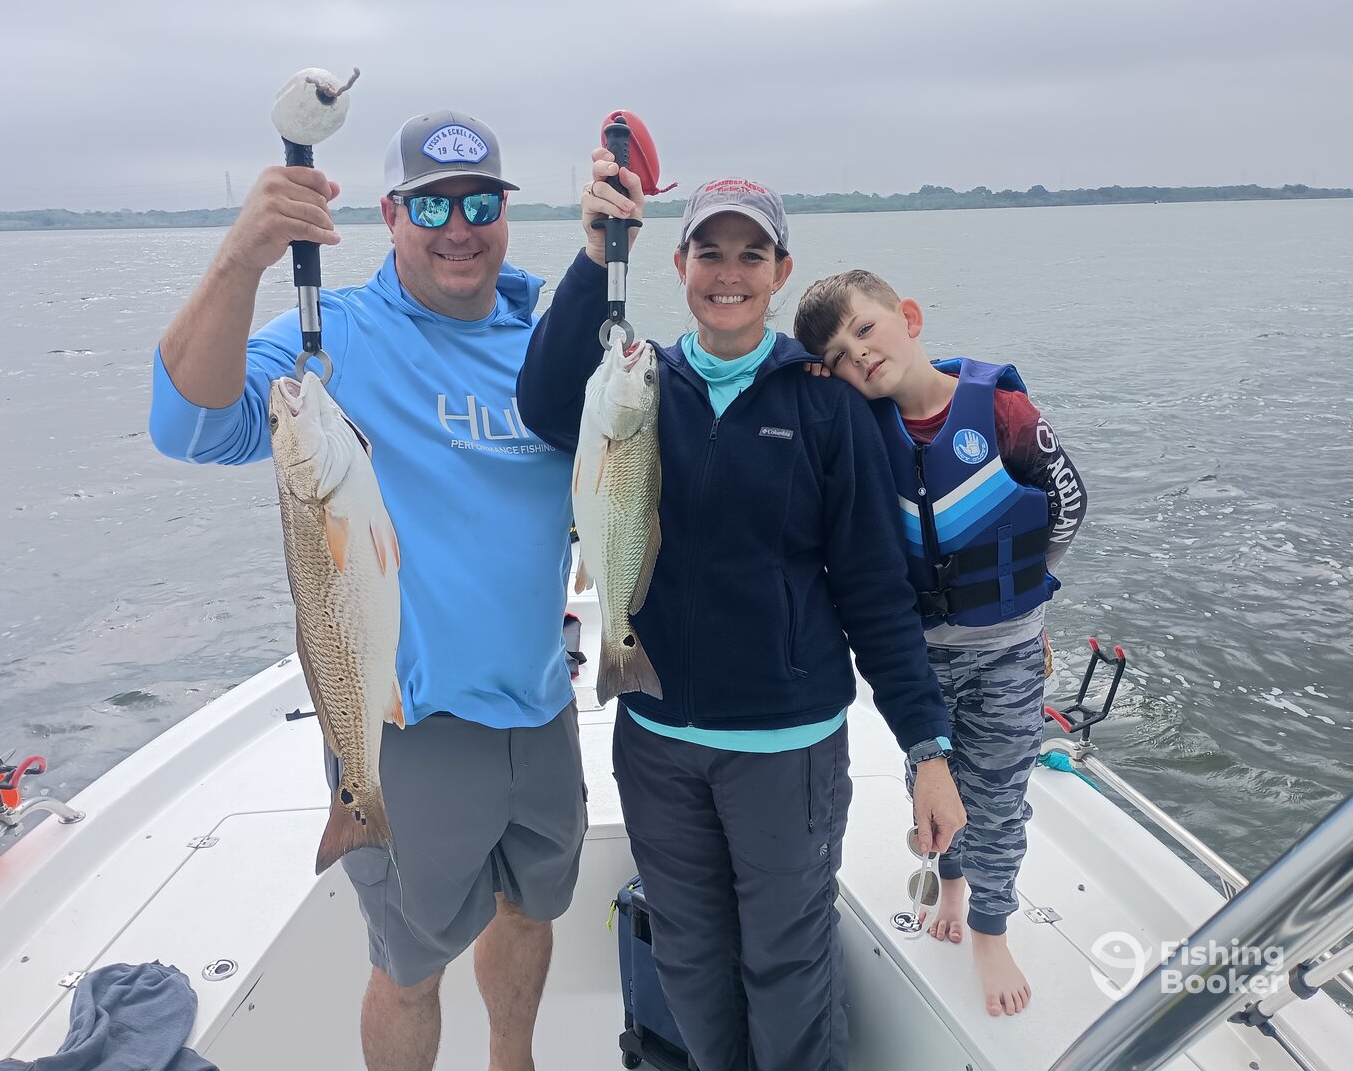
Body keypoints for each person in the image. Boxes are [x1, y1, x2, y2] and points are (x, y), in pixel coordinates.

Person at [148, 110, 585, 1071]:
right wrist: (241, 261)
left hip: (544, 705)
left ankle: (512, 1060)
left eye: (479, 203)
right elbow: (188, 425)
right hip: (407, 731)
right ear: (388, 215)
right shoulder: (333, 339)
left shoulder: (547, 343)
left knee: (530, 909)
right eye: (429, 206)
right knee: (409, 966)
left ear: (506, 215)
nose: (457, 227)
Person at [517, 154, 966, 1070]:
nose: (729, 274)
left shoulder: (826, 405)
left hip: (785, 747)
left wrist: (926, 748)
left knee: (786, 962)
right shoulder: (638, 384)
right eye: (709, 253)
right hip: (656, 736)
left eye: (751, 255)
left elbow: (875, 591)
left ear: (780, 272)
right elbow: (543, 402)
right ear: (679, 264)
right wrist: (597, 252)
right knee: (687, 954)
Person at [794, 270, 1088, 1017]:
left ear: (909, 317)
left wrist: (1029, 588)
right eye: (837, 356)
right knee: (930, 781)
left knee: (998, 795)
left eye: (865, 329)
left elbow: (1069, 502)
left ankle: (991, 926)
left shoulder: (1004, 412)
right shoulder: (861, 428)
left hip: (1008, 651)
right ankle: (949, 881)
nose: (858, 355)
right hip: (919, 656)